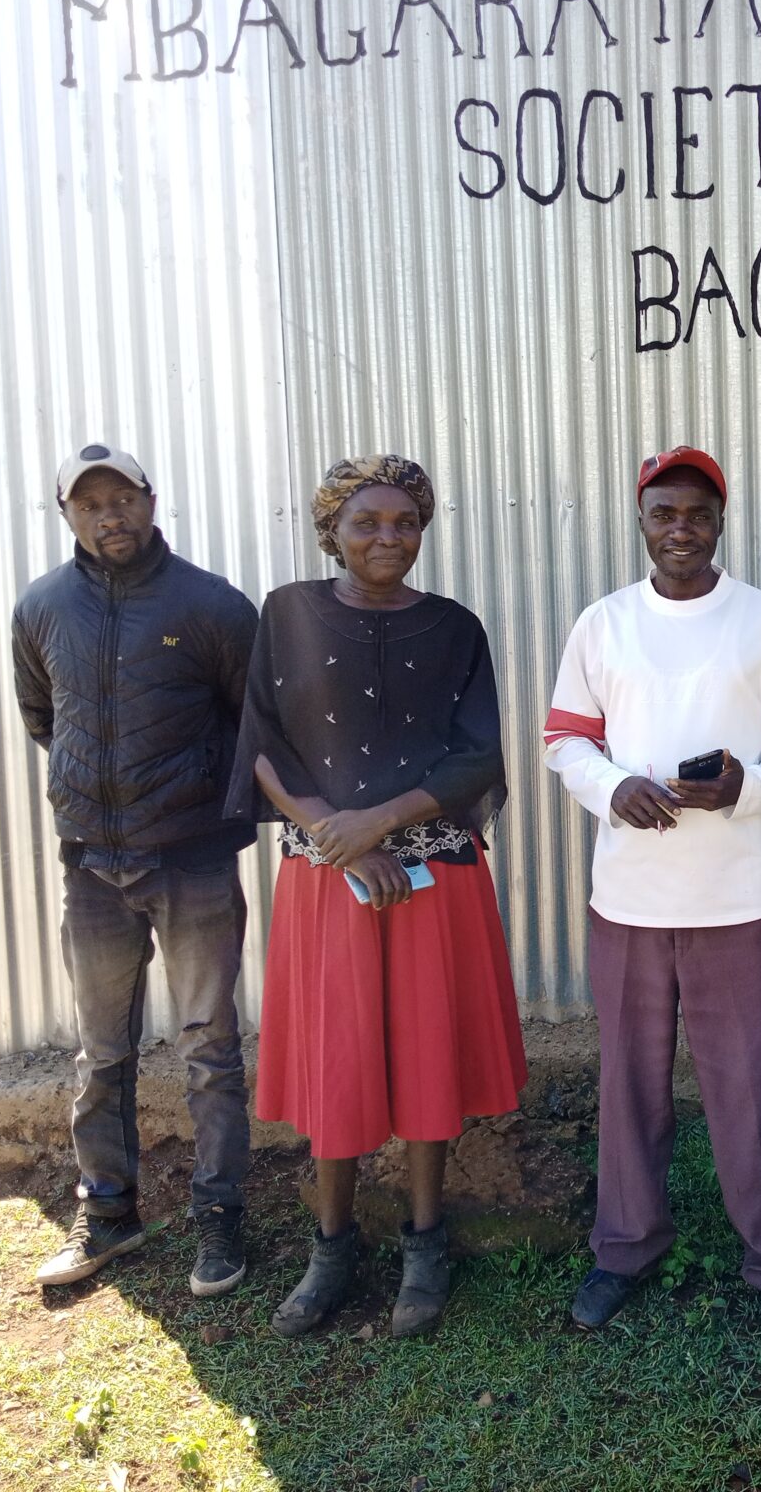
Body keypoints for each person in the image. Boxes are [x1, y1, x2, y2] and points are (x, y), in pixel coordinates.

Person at [229, 454, 527, 1339]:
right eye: (367, 522)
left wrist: (380, 825)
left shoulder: (455, 627)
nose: (388, 537)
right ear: (332, 529)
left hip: (434, 873)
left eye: (405, 522)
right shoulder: (286, 614)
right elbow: (261, 742)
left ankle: (425, 1245)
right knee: (340, 1059)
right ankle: (332, 1248)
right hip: (330, 881)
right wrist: (340, 838)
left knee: (427, 1054)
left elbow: (479, 756)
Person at [544, 446, 761, 1344]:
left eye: (696, 514)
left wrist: (745, 787)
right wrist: (612, 786)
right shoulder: (603, 624)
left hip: (736, 899)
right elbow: (563, 740)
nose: (680, 529)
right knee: (631, 1087)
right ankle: (625, 1246)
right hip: (629, 899)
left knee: (752, 1088)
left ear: (719, 521)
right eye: (663, 513)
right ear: (641, 520)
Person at [12, 443, 259, 1297]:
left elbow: (249, 723)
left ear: (152, 501)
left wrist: (187, 801)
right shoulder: (41, 607)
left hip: (190, 861)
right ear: (68, 516)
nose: (109, 516)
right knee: (102, 1053)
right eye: (90, 504)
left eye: (123, 498)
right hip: (92, 869)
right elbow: (45, 716)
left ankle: (220, 1219)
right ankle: (109, 1212)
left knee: (208, 1049)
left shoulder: (210, 606)